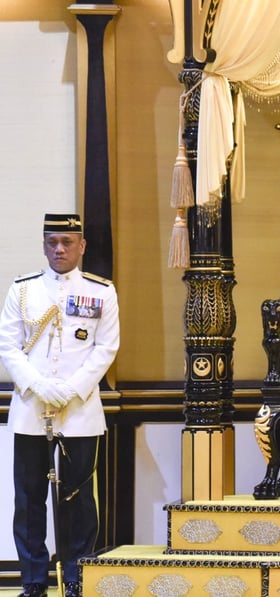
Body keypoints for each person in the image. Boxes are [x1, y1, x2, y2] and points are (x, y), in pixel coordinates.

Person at [0, 213, 120, 597]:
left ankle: (75, 578)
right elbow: (8, 346)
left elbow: (106, 348)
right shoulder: (22, 290)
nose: (59, 249)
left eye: (67, 242)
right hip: (31, 409)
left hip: (79, 411)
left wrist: (69, 389)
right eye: (52, 242)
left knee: (79, 500)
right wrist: (38, 385)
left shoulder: (101, 291)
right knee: (29, 499)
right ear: (44, 246)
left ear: (81, 246)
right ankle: (33, 581)